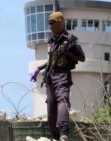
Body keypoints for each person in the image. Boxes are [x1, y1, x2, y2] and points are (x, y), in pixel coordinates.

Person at [30, 11, 85, 141]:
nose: (50, 26)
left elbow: (82, 57)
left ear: (60, 22)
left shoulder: (70, 39)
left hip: (62, 74)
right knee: (51, 106)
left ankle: (64, 132)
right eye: (49, 23)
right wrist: (39, 68)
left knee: (63, 100)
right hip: (50, 75)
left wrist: (67, 52)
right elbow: (51, 58)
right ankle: (55, 136)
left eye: (52, 23)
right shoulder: (51, 38)